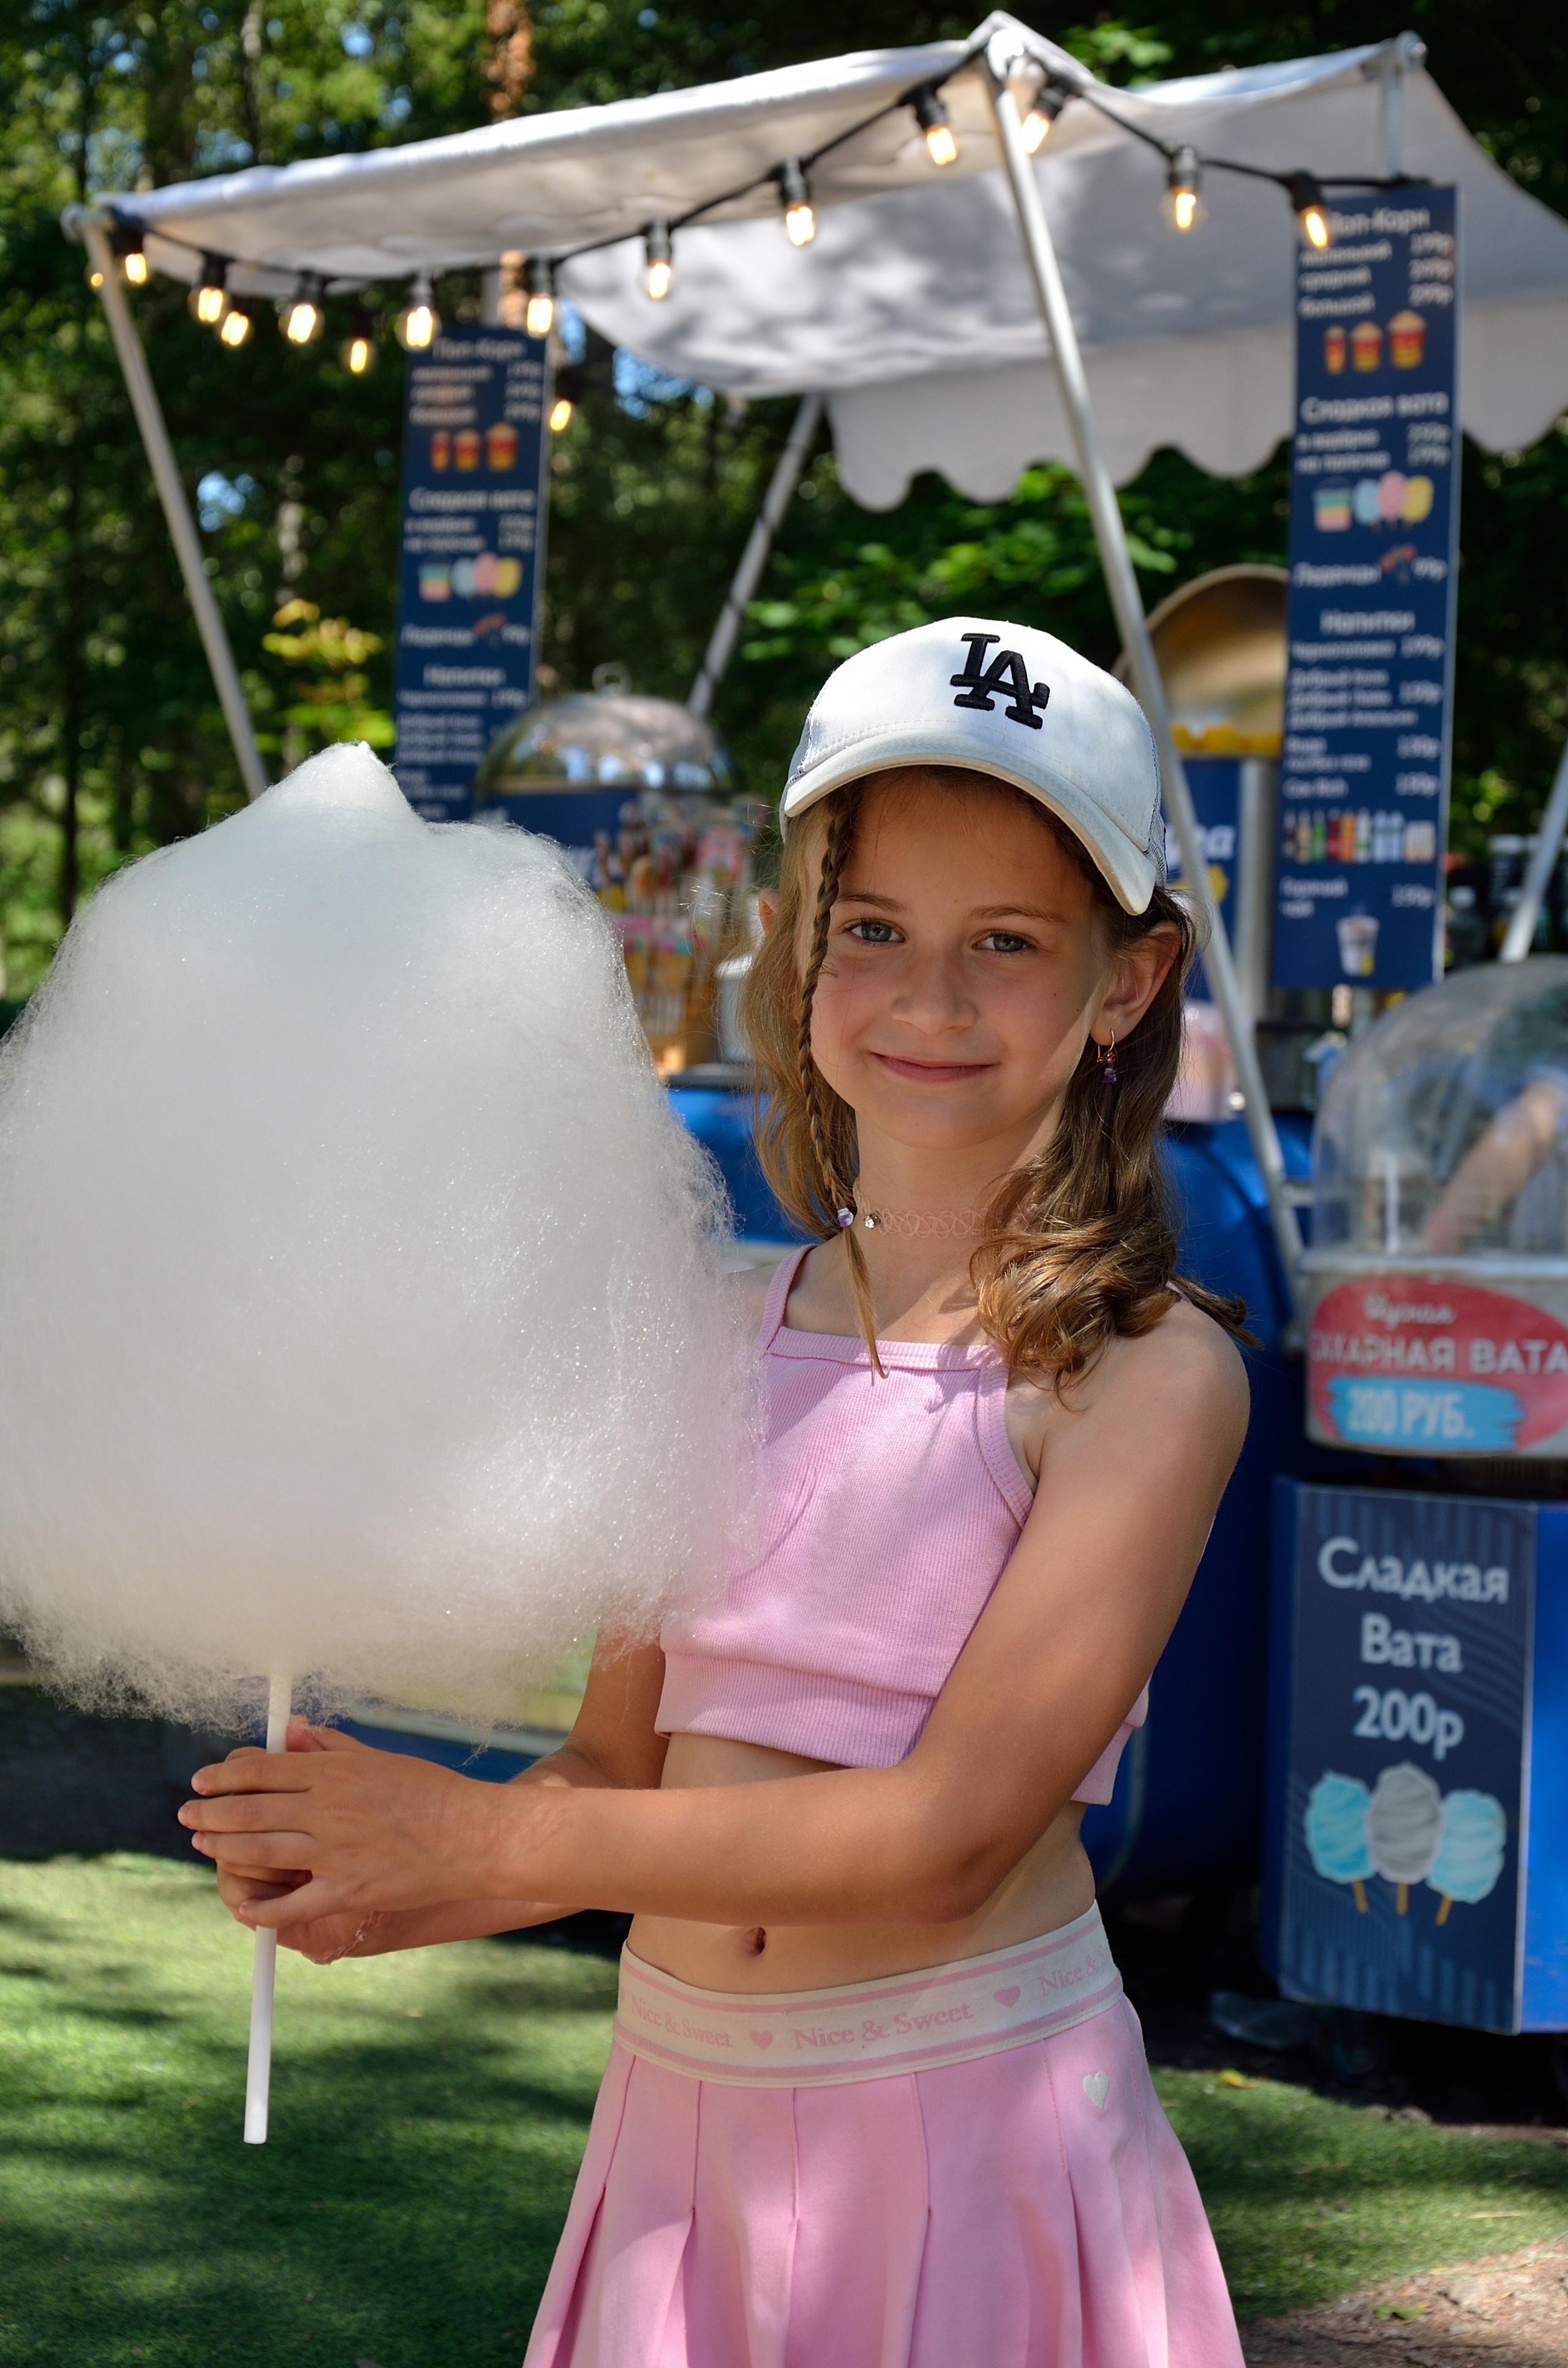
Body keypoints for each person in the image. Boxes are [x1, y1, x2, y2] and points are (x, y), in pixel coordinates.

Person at [183, 617, 1252, 2367]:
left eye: (1008, 942)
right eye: (876, 931)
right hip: (683, 2132)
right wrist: (393, 1873)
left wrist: (484, 1840)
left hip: (976, 2126)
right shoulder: (701, 1338)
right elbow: (616, 1765)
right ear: (794, 945)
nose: (929, 996)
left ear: (1127, 982)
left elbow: (945, 1832)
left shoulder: (1143, 1377)